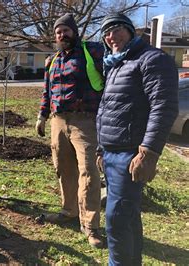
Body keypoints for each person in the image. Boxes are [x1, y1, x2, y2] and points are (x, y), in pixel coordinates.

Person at [96, 13, 178, 264]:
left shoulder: (152, 59)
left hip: (131, 154)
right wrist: (101, 149)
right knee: (128, 217)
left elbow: (163, 108)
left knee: (116, 221)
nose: (111, 37)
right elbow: (107, 109)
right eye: (106, 33)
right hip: (111, 153)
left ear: (131, 31)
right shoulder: (116, 64)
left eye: (116, 29)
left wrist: (148, 153)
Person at [35, 13, 105, 248]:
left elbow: (112, 73)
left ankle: (90, 225)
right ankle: (69, 211)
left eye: (65, 30)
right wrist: (41, 116)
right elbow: (47, 91)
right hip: (58, 121)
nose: (62, 35)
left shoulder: (92, 51)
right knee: (63, 168)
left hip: (85, 121)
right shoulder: (53, 60)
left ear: (74, 32)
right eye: (58, 32)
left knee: (88, 172)